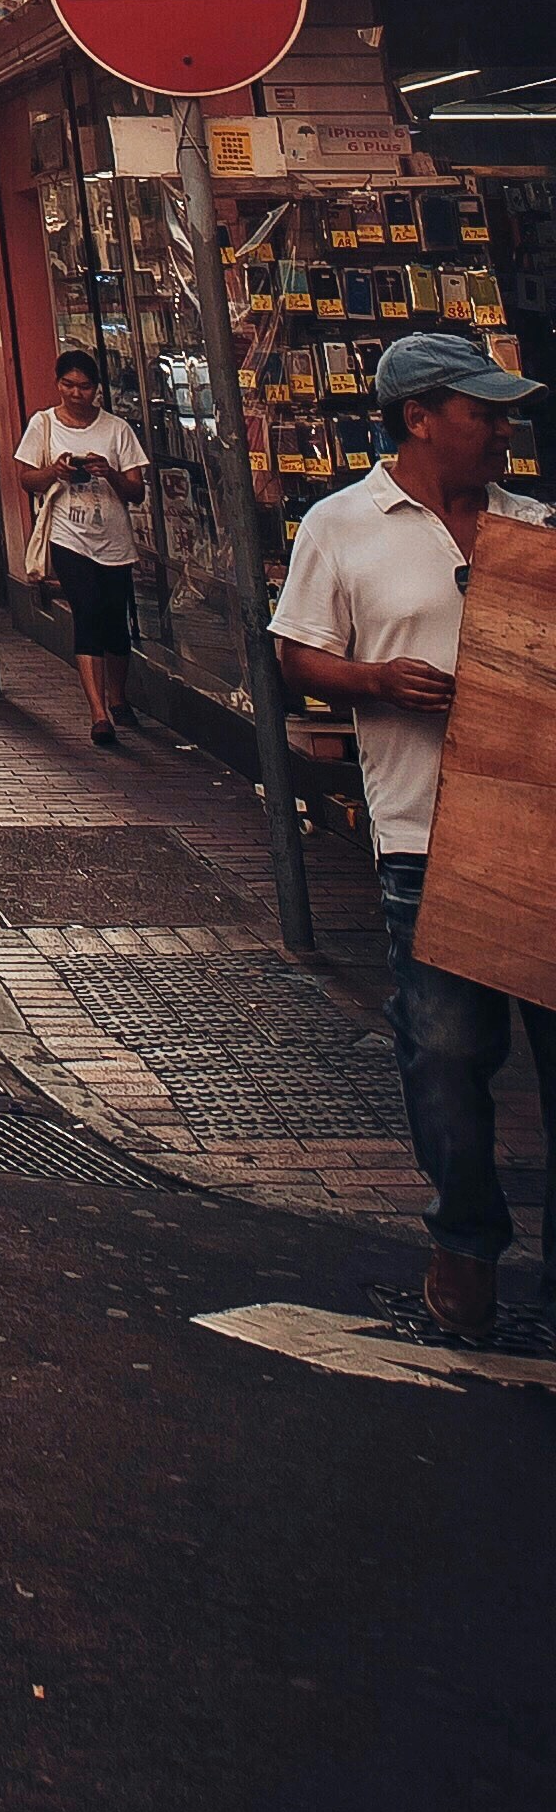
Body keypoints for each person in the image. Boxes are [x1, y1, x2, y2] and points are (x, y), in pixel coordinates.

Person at [275, 327, 555, 1350]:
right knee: (444, 1052)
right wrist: (374, 681)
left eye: (506, 415)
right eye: (484, 414)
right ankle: (466, 1242)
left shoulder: (533, 526)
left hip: (541, 833)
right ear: (421, 418)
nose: (501, 431)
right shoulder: (341, 525)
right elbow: (299, 652)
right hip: (423, 834)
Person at [17, 340, 154, 748]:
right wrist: (56, 472)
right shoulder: (43, 425)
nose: (76, 394)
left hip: (113, 539)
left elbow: (136, 492)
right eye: (68, 385)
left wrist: (108, 473)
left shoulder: (117, 429)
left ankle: (118, 695)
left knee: (115, 623)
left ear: (97, 389)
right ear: (58, 384)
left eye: (84, 387)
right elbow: (26, 479)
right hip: (68, 537)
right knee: (87, 614)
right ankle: (99, 712)